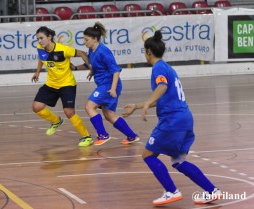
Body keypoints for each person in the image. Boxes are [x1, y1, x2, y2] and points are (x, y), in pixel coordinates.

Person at [122, 30, 222, 205]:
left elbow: (161, 87)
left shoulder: (158, 68)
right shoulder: (168, 68)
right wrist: (137, 106)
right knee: (178, 161)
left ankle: (171, 191)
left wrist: (146, 104)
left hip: (172, 121)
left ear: (148, 51)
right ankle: (212, 191)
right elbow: (163, 96)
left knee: (148, 155)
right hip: (185, 118)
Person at [75, 22, 139, 146]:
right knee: (109, 115)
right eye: (83, 39)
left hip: (109, 85)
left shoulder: (103, 51)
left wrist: (113, 89)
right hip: (104, 84)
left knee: (89, 106)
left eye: (86, 39)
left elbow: (116, 71)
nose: (84, 42)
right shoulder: (91, 50)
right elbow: (92, 64)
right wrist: (89, 71)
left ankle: (103, 135)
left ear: (95, 39)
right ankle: (132, 136)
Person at [32, 26, 93, 147]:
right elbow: (41, 58)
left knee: (69, 111)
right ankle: (56, 121)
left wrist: (91, 68)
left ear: (49, 37)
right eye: (38, 39)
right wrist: (38, 71)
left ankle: (87, 137)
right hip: (51, 84)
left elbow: (82, 53)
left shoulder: (63, 50)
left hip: (67, 84)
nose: (39, 41)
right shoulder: (40, 47)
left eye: (41, 38)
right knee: (36, 107)